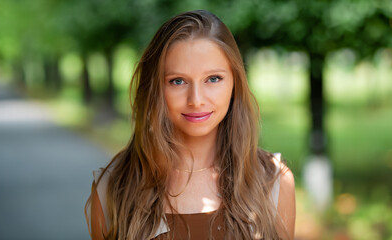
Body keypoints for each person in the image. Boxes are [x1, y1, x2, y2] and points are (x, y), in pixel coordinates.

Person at [85, 10, 295, 240]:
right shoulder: (113, 189)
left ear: (235, 82)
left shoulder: (273, 182)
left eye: (213, 79)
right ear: (155, 89)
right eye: (178, 81)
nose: (196, 99)